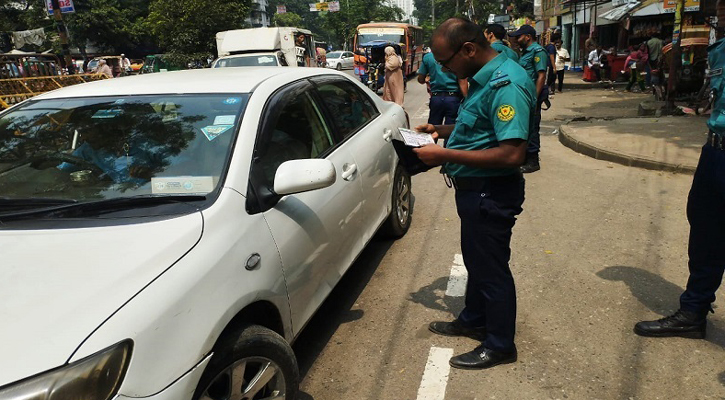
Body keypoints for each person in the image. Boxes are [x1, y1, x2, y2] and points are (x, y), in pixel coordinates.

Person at [411, 17, 534, 371]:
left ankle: (499, 344)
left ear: (469, 49)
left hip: (490, 191)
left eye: (446, 63)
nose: (444, 70)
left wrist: (443, 154)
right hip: (475, 190)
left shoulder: (506, 83)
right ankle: (473, 319)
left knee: (491, 268)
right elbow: (478, 125)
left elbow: (512, 153)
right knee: (476, 262)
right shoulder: (483, 78)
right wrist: (440, 129)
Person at [634, 0, 725, 340]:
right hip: (715, 151)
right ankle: (693, 311)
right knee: (705, 233)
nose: (718, 11)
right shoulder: (719, 49)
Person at [509, 24, 547, 173]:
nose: (517, 39)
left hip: (532, 96)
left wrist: (535, 99)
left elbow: (541, 75)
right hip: (524, 95)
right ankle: (524, 157)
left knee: (532, 128)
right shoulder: (524, 52)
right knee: (524, 127)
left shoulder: (538, 51)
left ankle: (533, 160)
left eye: (519, 36)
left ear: (528, 37)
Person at [417, 47, 468, 126]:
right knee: (451, 129)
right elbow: (462, 81)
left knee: (433, 128)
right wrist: (467, 99)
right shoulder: (457, 56)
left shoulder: (428, 57)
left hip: (436, 98)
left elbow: (421, 79)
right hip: (453, 99)